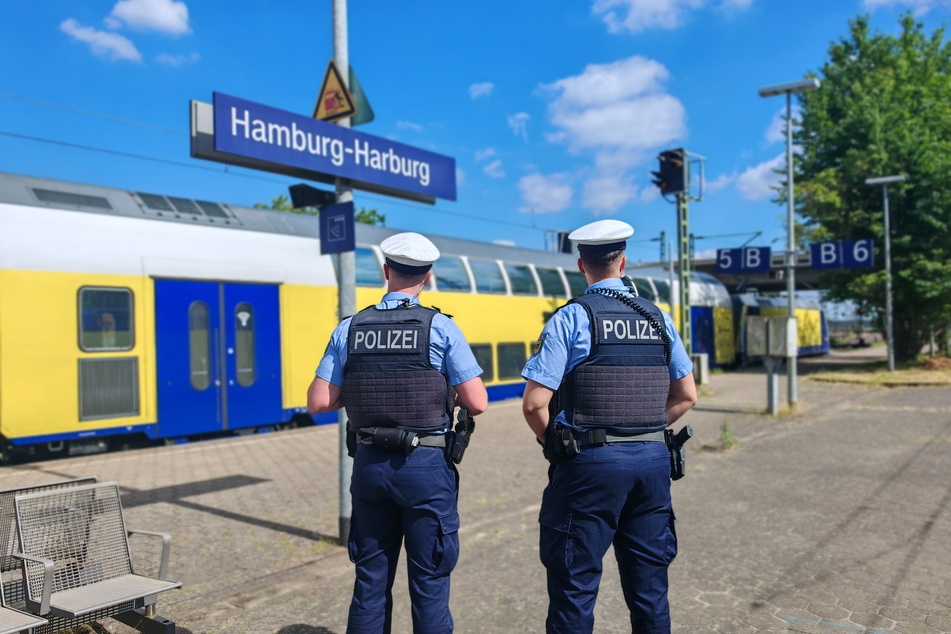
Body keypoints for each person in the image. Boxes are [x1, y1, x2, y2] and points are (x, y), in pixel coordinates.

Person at [521, 219, 697, 634]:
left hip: (589, 466)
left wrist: (557, 445)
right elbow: (687, 395)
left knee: (575, 587)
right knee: (651, 590)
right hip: (653, 465)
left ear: (582, 266)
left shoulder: (571, 318)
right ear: (623, 262)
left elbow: (534, 404)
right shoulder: (658, 318)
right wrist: (649, 427)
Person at [307, 232, 487, 634]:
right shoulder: (440, 327)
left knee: (370, 581)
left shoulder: (350, 328)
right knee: (429, 582)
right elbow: (477, 402)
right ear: (428, 276)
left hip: (370, 465)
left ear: (386, 271)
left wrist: (358, 389)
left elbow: (319, 401)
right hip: (426, 467)